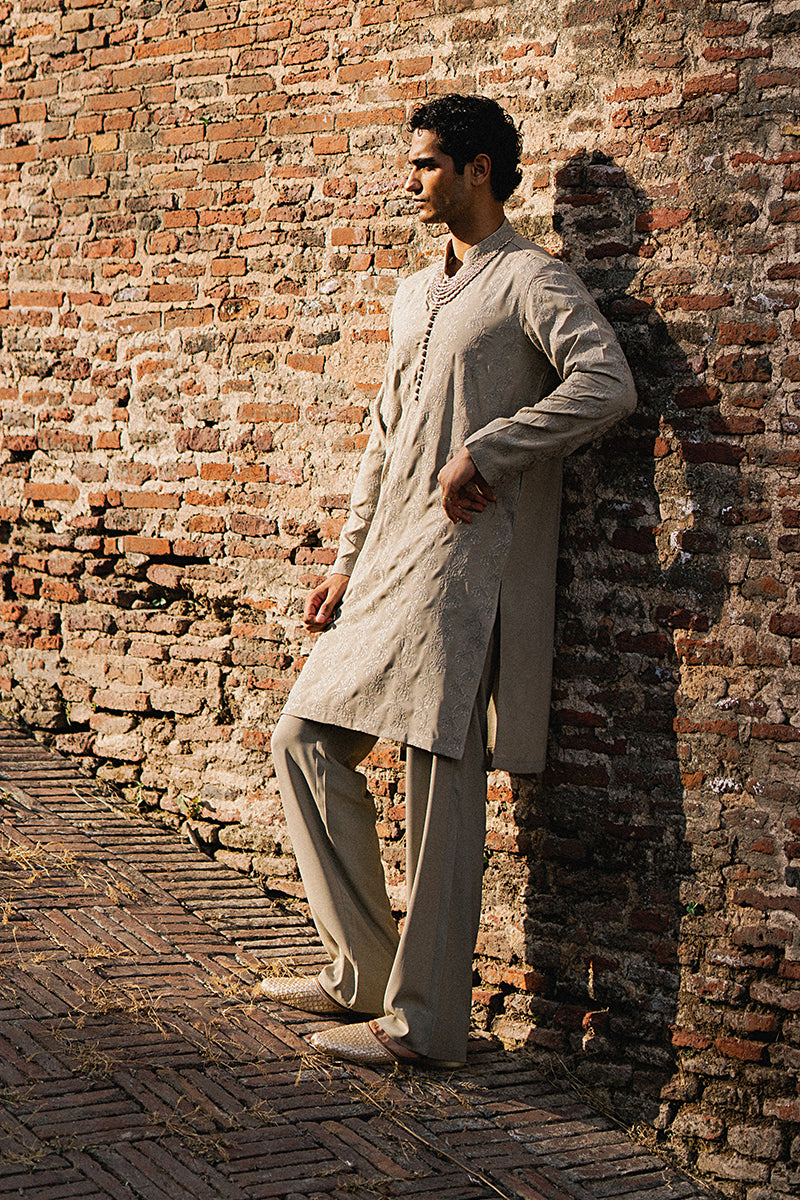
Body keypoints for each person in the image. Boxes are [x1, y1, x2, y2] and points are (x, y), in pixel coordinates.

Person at [255, 94, 636, 1068]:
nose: (411, 180)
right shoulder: (417, 291)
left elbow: (606, 383)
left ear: (477, 170)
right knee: (303, 741)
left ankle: (425, 1025)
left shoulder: (530, 279)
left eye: (425, 164)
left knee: (439, 785)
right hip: (389, 561)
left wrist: (493, 448)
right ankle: (362, 972)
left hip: (467, 567)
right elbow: (384, 440)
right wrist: (345, 560)